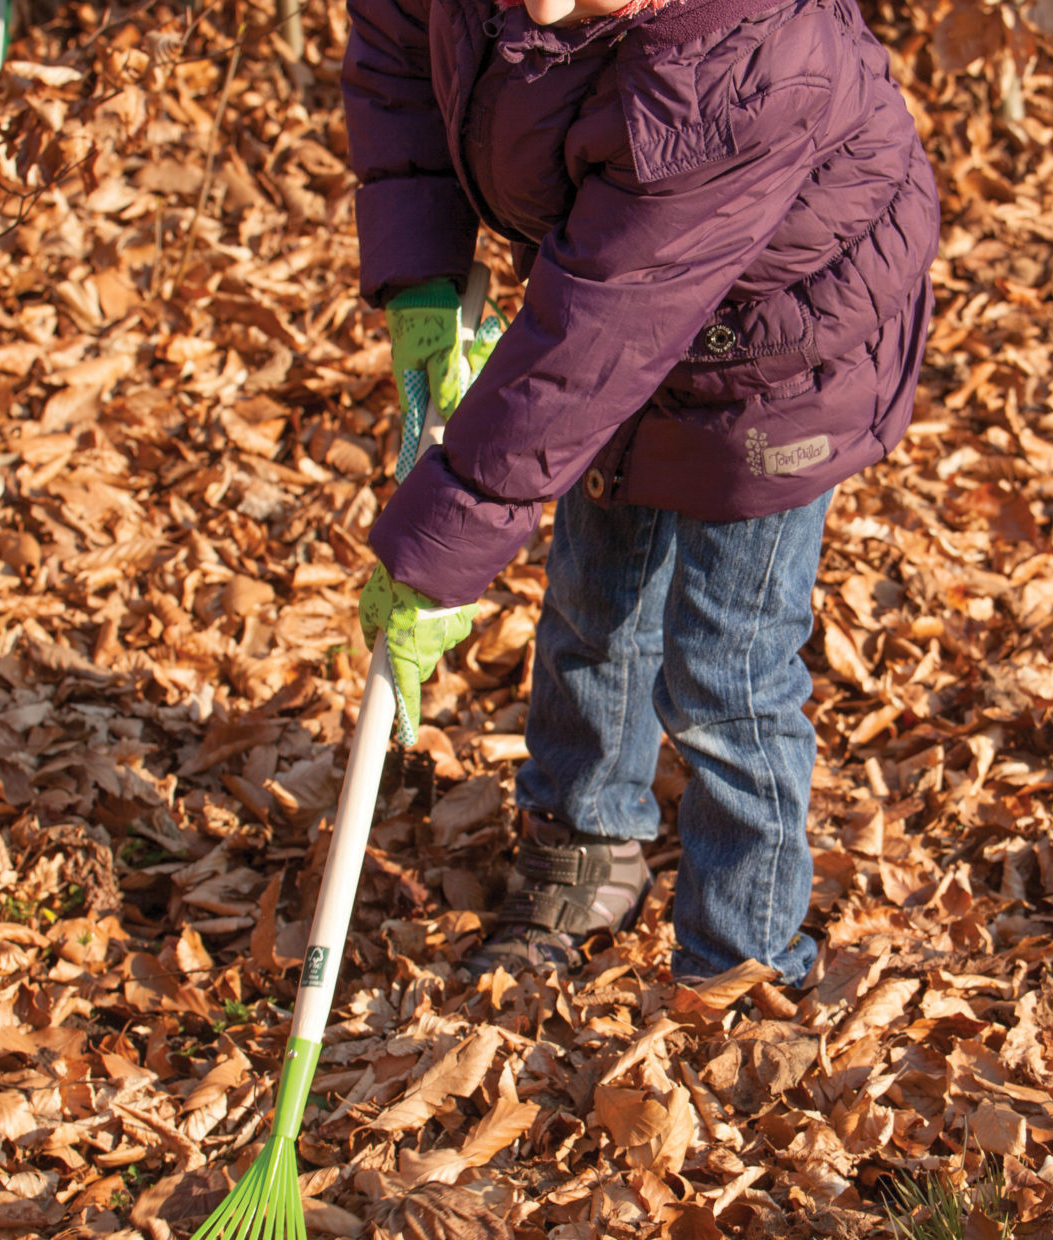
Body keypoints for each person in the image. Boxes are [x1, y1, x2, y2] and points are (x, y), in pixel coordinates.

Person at [342, 0, 939, 984]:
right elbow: (401, 47)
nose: (537, 4)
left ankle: (740, 958)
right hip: (609, 286)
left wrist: (441, 550)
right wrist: (421, 279)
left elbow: (592, 343)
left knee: (726, 666)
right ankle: (584, 852)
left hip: (780, 358)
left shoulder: (741, 60)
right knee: (594, 604)